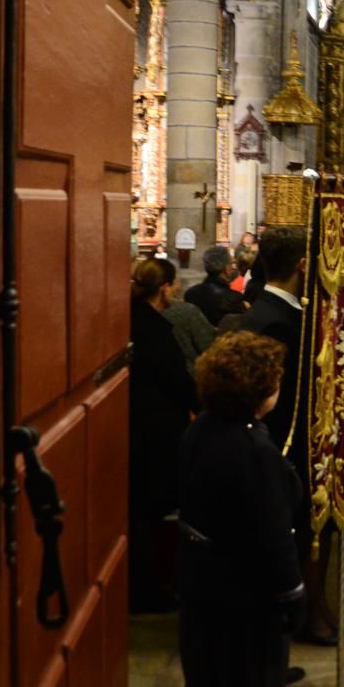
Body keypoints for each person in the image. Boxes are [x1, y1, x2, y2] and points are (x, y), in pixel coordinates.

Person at [177, 332, 305, 687]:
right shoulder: (254, 450)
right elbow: (272, 534)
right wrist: (293, 594)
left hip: (202, 588)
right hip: (244, 598)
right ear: (261, 390)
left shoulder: (201, 427)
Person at [238, 227, 337, 647]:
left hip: (286, 444)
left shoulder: (270, 309)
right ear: (303, 265)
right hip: (286, 445)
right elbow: (278, 395)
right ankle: (306, 614)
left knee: (312, 531)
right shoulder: (278, 320)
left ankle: (317, 607)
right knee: (303, 531)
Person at [129, 258, 200, 613]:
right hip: (153, 431)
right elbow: (175, 379)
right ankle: (146, 587)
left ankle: (146, 582)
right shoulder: (152, 328)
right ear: (165, 288)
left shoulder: (131, 319)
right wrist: (199, 402)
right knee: (149, 509)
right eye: (173, 286)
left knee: (145, 508)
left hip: (140, 425)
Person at [162, 282, 216, 375]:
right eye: (175, 283)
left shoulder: (134, 311)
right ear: (166, 287)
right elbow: (208, 347)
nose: (178, 287)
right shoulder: (187, 311)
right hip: (188, 375)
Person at [185, 245, 246, 325]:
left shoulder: (190, 293)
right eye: (231, 264)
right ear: (226, 269)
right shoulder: (234, 298)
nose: (233, 268)